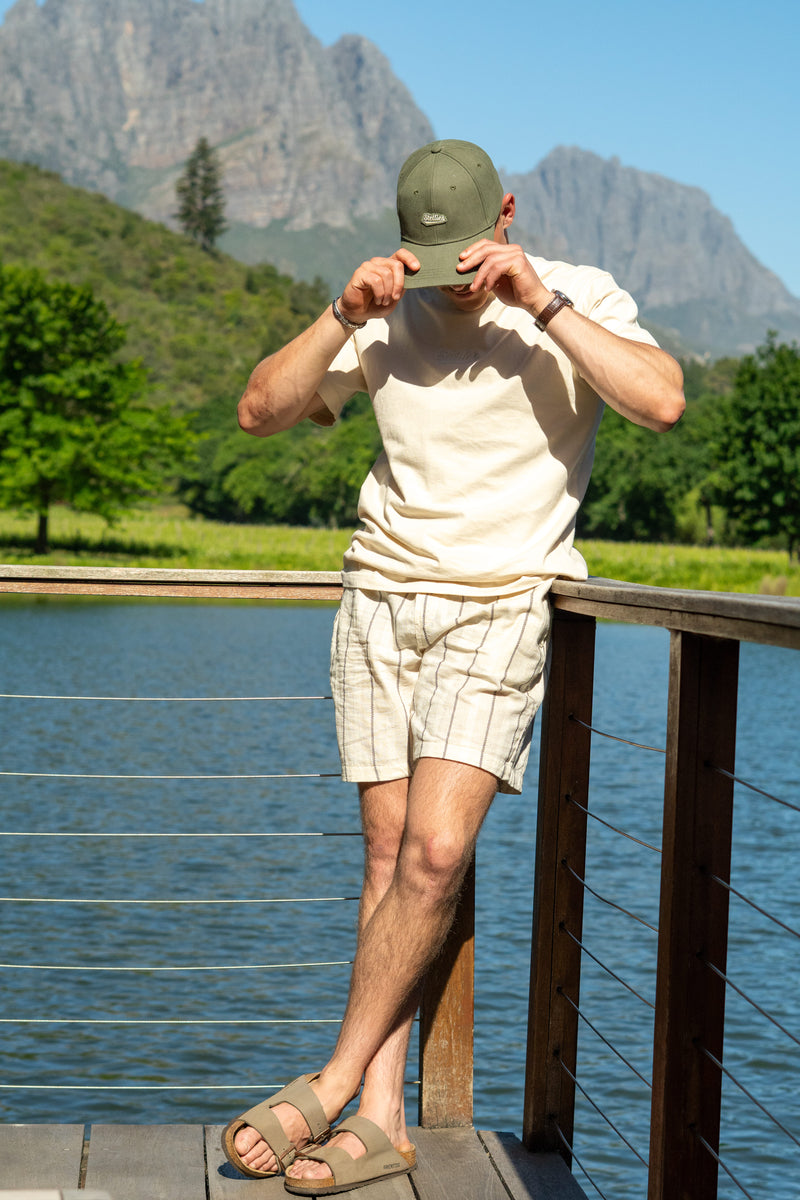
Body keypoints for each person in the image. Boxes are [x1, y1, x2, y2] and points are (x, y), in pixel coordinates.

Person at [222, 139, 685, 1195]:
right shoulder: (380, 304)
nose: (449, 278)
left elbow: (659, 403)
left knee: (434, 856)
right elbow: (260, 408)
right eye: (428, 257)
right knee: (386, 860)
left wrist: (547, 307)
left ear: (507, 218)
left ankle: (332, 1076)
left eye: (465, 254)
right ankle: (379, 1116)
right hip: (379, 598)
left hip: (500, 604)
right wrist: (342, 314)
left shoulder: (575, 295)